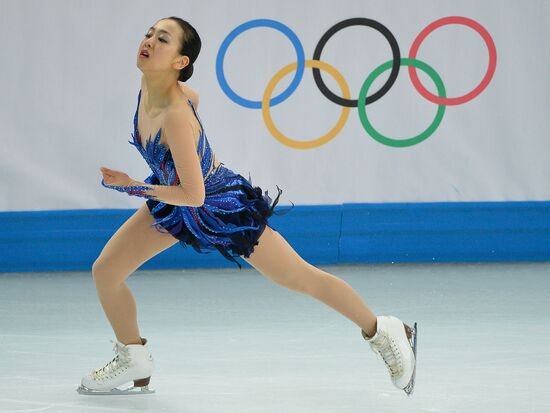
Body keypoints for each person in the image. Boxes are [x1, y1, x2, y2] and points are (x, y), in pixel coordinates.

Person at [77, 16, 417, 397]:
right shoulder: (151, 88)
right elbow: (194, 102)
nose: (150, 41)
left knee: (299, 278)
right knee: (106, 270)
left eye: (164, 39)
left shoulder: (174, 114)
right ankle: (133, 355)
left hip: (221, 209)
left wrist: (132, 186)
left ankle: (384, 330)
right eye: (150, 34)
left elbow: (195, 196)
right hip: (172, 200)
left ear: (180, 62)